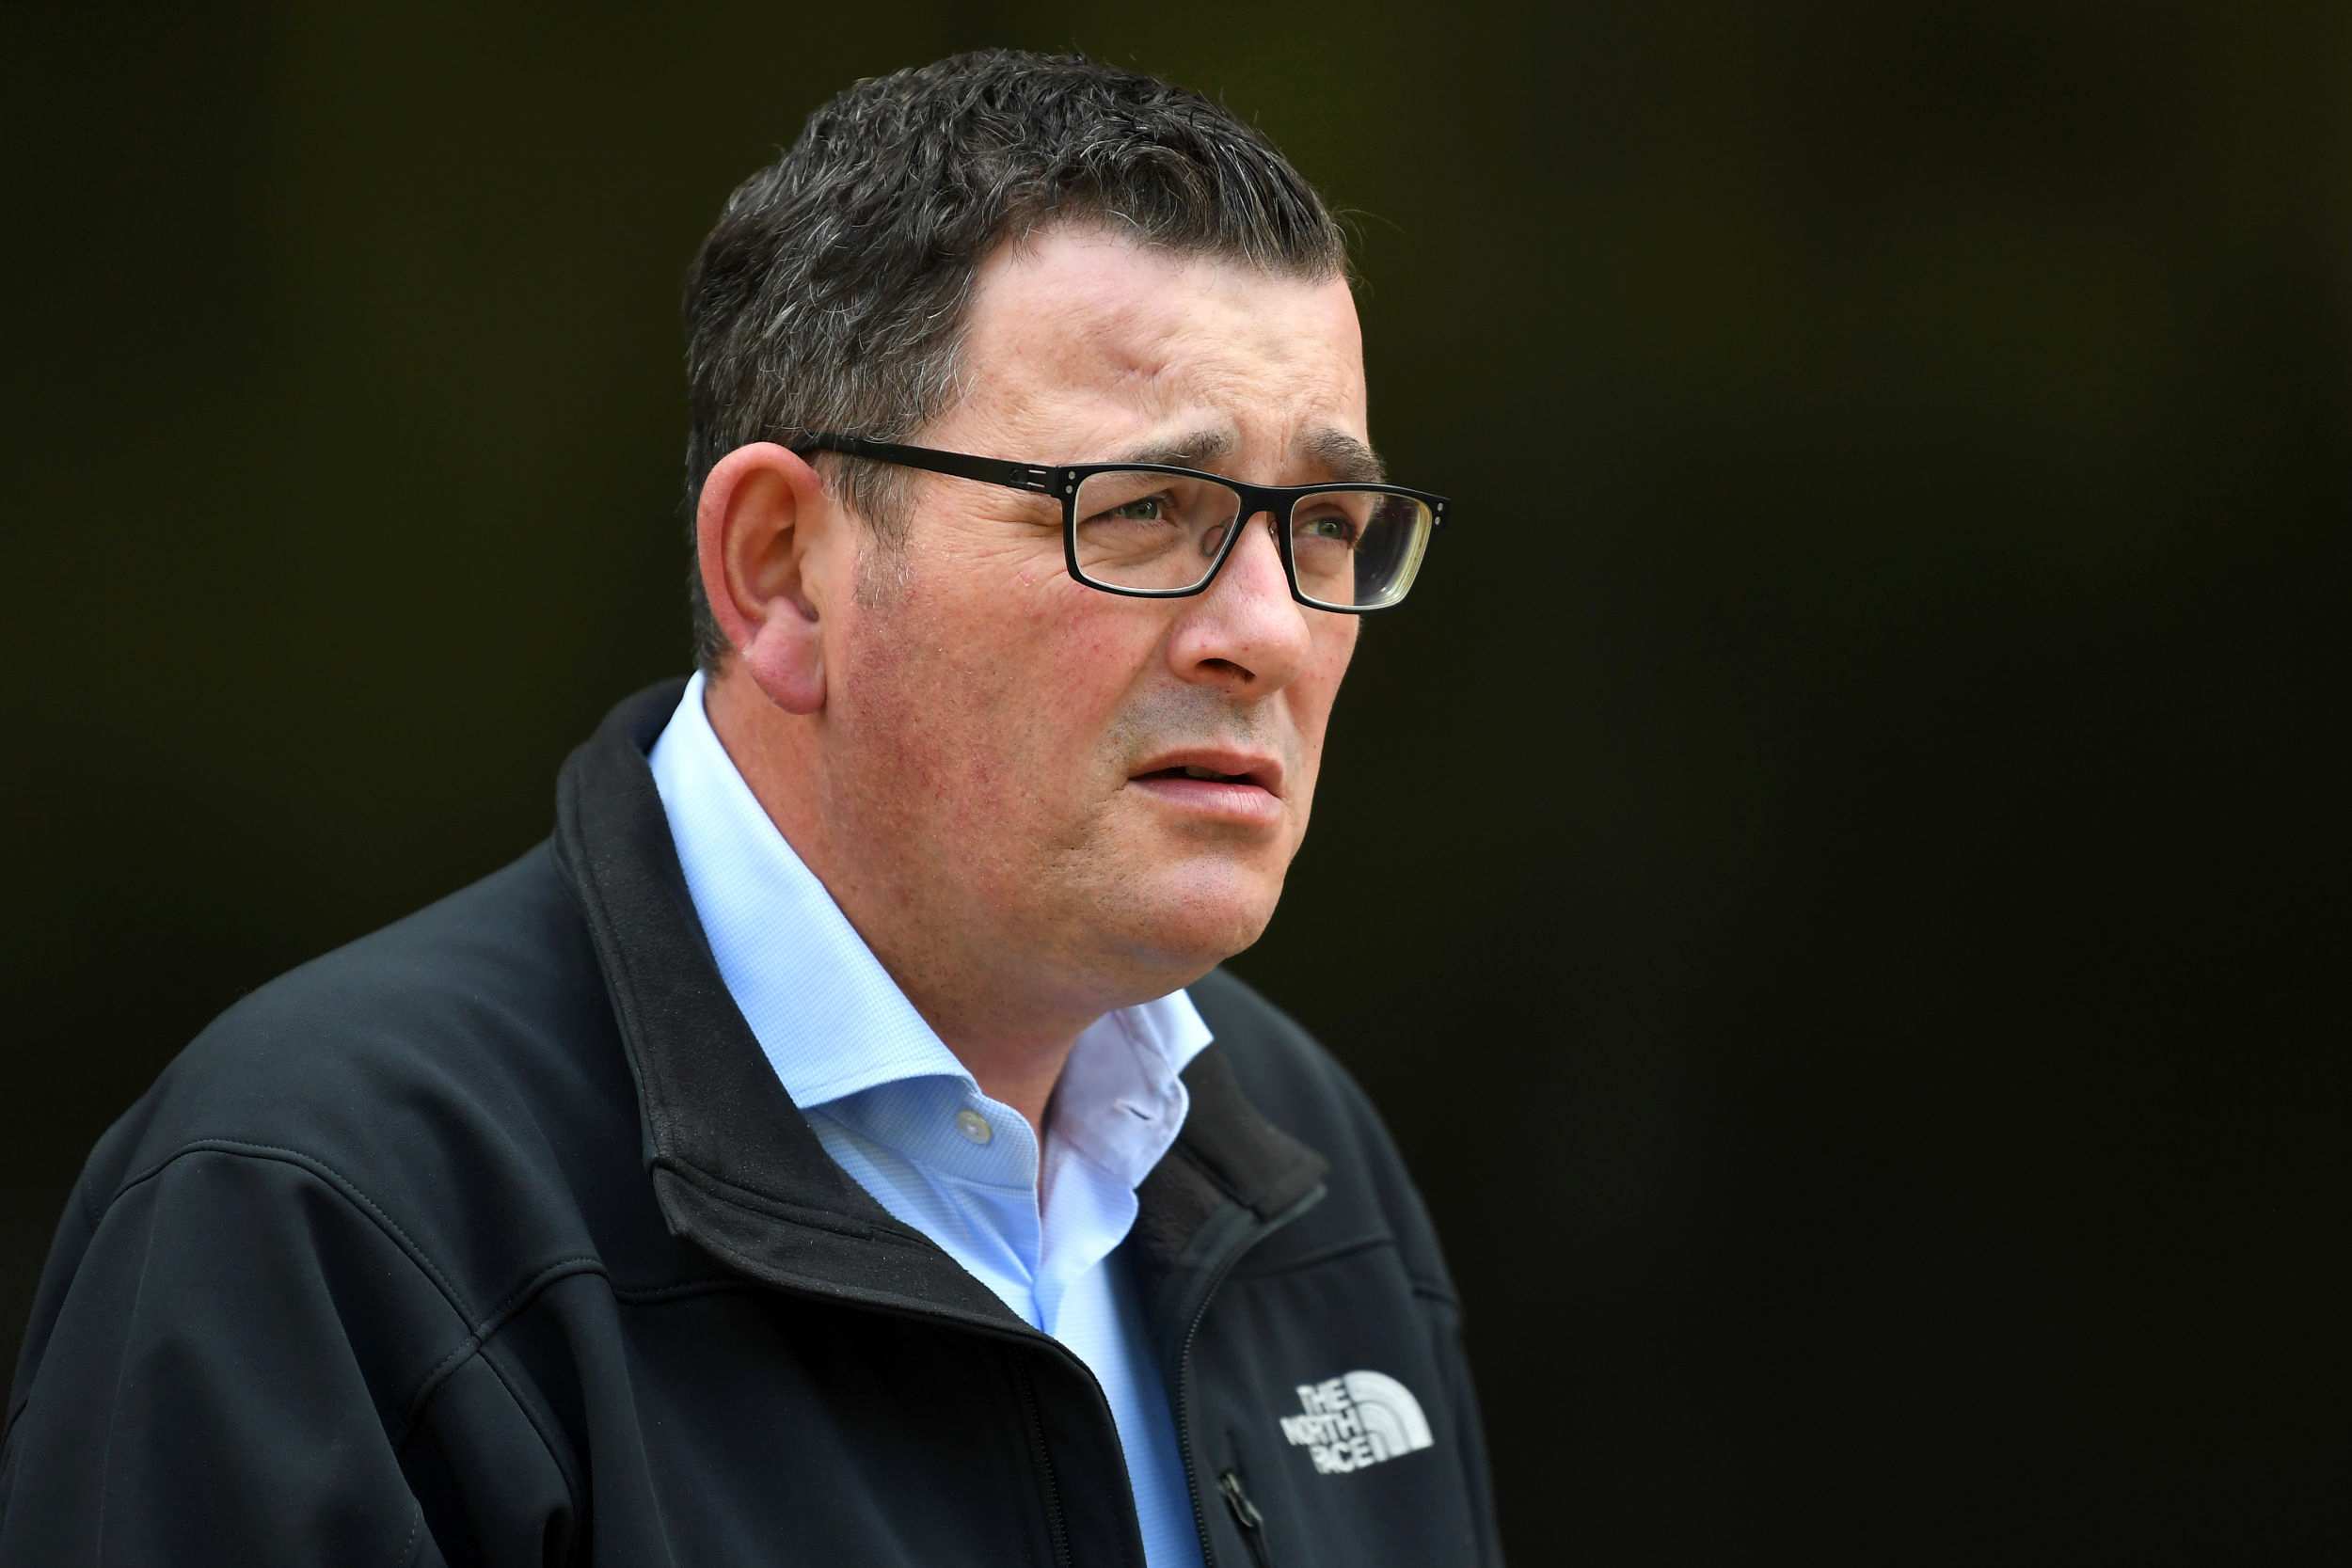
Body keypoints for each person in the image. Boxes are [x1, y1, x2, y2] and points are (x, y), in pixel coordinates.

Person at [0, 49, 1499, 1568]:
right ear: (782, 569)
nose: (1272, 633)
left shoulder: (1305, 1166)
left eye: (1325, 524)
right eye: (1143, 512)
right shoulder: (322, 1209)